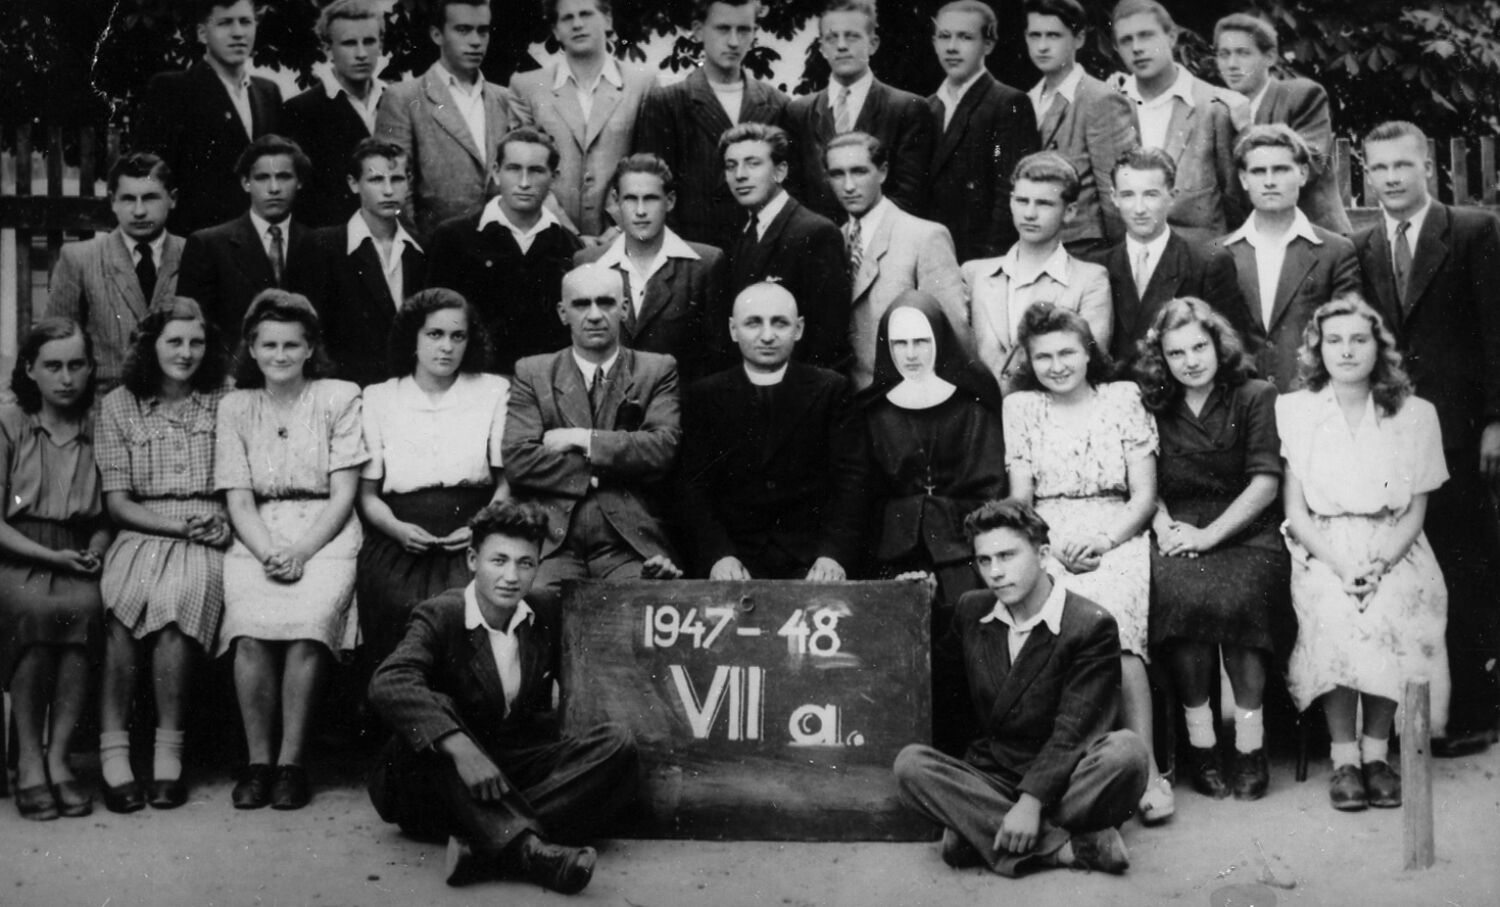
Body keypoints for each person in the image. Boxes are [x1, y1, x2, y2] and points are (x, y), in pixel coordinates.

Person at [368, 500, 638, 893]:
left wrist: (650, 577)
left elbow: (606, 616)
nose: (511, 576)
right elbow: (389, 682)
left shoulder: (544, 608)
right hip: (430, 782)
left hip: (503, 767)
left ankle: (485, 846)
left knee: (617, 746)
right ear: (473, 559)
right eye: (499, 561)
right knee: (438, 704)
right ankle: (530, 850)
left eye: (525, 563)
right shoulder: (441, 614)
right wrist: (461, 749)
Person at [892, 499, 1149, 877]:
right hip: (993, 775)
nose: (995, 572)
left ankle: (983, 832)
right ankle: (1066, 849)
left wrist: (1030, 804)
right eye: (984, 561)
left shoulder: (1090, 624)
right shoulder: (971, 609)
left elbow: (1074, 732)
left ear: (1044, 555)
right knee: (910, 765)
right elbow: (939, 685)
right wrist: (917, 609)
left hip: (1067, 776)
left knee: (1127, 753)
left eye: (1008, 556)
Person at [1353, 120, 1500, 758]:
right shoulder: (1363, 246)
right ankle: (1399, 716)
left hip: (1464, 430)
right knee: (1405, 563)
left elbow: (1497, 330)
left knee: (1466, 564)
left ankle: (1473, 709)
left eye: (1402, 167)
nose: (1390, 179)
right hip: (1395, 430)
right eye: (1378, 168)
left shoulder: (1471, 231)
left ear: (1427, 169)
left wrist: (1497, 420)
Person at [1277, 294, 1450, 811]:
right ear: (1318, 349)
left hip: (1395, 544)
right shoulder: (1298, 410)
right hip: (1323, 545)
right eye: (1334, 341)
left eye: (1359, 340)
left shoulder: (1416, 414)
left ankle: (1378, 755)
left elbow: (1416, 511)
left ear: (1379, 347)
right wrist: (1339, 563)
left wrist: (1378, 565)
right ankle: (1345, 757)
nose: (1347, 351)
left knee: (1391, 606)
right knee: (1334, 610)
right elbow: (1297, 511)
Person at [1003, 302, 1171, 821]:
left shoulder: (1122, 399)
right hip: (1048, 535)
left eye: (1067, 352)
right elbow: (1021, 501)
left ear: (1087, 352)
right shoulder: (1022, 408)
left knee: (1114, 624)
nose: (1057, 365)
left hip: (1116, 529)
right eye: (1043, 356)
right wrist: (1047, 548)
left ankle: (1148, 770)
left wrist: (1101, 541)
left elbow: (1144, 497)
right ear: (1029, 361)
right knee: (1046, 621)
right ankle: (1054, 772)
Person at [214, 290, 366, 810]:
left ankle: (291, 764)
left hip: (324, 531)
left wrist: (301, 551)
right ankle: (258, 763)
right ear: (251, 350)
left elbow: (345, 493)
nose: (280, 355)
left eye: (291, 345)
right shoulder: (235, 405)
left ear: (309, 349)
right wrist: (267, 551)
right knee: (250, 633)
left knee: (307, 628)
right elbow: (237, 496)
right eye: (269, 345)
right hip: (257, 531)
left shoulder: (339, 397)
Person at [1132, 297, 1288, 802]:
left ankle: (1249, 743)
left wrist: (1209, 535)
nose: (1190, 361)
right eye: (1176, 353)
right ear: (1163, 359)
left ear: (1219, 345)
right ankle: (1201, 744)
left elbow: (1266, 482)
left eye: (1199, 346)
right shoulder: (1151, 401)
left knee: (1240, 601)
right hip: (1178, 528)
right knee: (1182, 599)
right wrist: (1163, 525)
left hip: (1247, 531)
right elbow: (1142, 480)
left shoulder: (1255, 395)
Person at [94, 300, 230, 813]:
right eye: (174, 341)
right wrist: (174, 527)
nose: (186, 352)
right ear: (151, 345)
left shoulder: (225, 399)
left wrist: (218, 524)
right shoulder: (119, 405)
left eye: (195, 342)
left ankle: (168, 752)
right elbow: (118, 502)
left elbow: (242, 480)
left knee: (178, 602)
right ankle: (114, 753)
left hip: (211, 526)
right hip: (144, 525)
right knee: (121, 604)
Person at [857, 290, 1005, 755]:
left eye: (921, 341)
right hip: (890, 548)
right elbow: (866, 494)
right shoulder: (872, 410)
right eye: (899, 344)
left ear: (940, 341)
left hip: (964, 544)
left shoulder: (972, 403)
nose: (911, 354)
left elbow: (988, 488)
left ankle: (971, 746)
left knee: (968, 611)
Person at [501, 264, 683, 594]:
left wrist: (581, 439)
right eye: (582, 304)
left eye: (606, 303)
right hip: (553, 541)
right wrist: (606, 466)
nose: (595, 315)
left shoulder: (656, 370)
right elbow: (518, 459)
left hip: (628, 543)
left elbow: (661, 448)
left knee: (643, 603)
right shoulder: (534, 372)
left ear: (625, 308)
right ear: (563, 312)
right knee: (536, 600)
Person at [357, 287, 509, 666]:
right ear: (413, 338)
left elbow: (507, 483)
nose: (447, 347)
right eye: (434, 335)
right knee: (397, 604)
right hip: (400, 535)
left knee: (467, 607)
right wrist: (396, 530)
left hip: (472, 530)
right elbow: (367, 495)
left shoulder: (492, 390)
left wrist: (480, 527)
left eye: (458, 336)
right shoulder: (379, 397)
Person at [677, 282, 868, 580]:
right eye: (753, 323)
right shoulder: (705, 395)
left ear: (799, 328)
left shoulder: (831, 389)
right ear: (732, 329)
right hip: (735, 563)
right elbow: (692, 486)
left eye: (780, 323)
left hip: (812, 562)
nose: (767, 336)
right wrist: (717, 556)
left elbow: (852, 480)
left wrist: (834, 555)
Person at [0, 319, 110, 821]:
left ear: (90, 369)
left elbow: (111, 510)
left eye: (76, 365)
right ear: (30, 369)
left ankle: (59, 757)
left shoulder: (101, 424)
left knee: (83, 608)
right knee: (36, 610)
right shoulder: (10, 422)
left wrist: (97, 548)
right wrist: (49, 558)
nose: (66, 378)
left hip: (78, 549)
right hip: (18, 553)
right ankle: (27, 758)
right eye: (53, 366)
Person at [630, 0, 790, 251]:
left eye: (744, 30)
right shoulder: (668, 102)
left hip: (762, 250)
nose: (734, 41)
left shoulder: (776, 104)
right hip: (694, 251)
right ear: (697, 30)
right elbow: (654, 188)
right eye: (723, 29)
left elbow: (789, 187)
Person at [427, 127, 584, 376]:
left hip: (545, 388)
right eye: (513, 169)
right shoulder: (453, 238)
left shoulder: (570, 247)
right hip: (472, 383)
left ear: (554, 178)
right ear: (497, 173)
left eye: (536, 171)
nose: (524, 182)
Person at [1216, 124, 1359, 390]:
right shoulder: (1219, 253)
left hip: (1312, 400)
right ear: (1244, 179)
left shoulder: (1336, 251)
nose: (1269, 181)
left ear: (1303, 174)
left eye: (1281, 169)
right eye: (1258, 171)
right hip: (1239, 403)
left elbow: (1346, 333)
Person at [825, 132, 966, 391]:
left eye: (859, 172)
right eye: (837, 174)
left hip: (906, 397)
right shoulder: (832, 240)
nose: (848, 186)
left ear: (882, 172)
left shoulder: (923, 236)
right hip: (850, 402)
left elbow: (954, 332)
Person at [509, 0, 657, 243]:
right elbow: (523, 168)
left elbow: (648, 165)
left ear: (607, 20)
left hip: (621, 236)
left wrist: (620, 226)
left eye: (586, 14)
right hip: (547, 235)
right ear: (556, 30)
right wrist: (567, 233)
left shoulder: (641, 84)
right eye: (567, 18)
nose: (577, 24)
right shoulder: (526, 87)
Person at [962, 152, 1111, 392]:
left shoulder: (1090, 280)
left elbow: (1091, 362)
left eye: (1044, 203)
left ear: (1070, 211)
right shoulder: (975, 273)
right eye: (1022, 201)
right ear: (1010, 201)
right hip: (983, 419)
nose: (1030, 213)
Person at [134, 0, 282, 234]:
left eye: (245, 22)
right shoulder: (173, 89)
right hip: (195, 242)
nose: (237, 33)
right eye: (225, 23)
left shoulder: (268, 93)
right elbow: (152, 176)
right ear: (203, 33)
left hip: (255, 243)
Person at [573, 154, 723, 382]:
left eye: (651, 199)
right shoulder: (588, 262)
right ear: (616, 200)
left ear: (670, 201)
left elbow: (715, 358)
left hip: (678, 406)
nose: (640, 210)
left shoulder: (704, 264)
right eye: (631, 199)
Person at [374, 0, 518, 239]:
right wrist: (422, 257)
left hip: (504, 254)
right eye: (463, 30)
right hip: (436, 257)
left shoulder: (505, 99)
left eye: (483, 30)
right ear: (437, 34)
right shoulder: (404, 98)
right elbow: (395, 190)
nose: (475, 41)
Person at [1110, 0, 1247, 248]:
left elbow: (1236, 200)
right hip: (1131, 265)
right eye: (1126, 40)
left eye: (1146, 36)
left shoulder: (1212, 107)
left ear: (1171, 37)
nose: (1137, 48)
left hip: (1202, 261)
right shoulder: (1111, 104)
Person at [47, 153, 185, 395]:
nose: (139, 211)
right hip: (104, 405)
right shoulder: (80, 258)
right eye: (129, 199)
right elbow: (55, 344)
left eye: (150, 198)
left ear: (172, 199)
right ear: (112, 202)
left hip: (178, 405)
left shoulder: (194, 254)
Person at [784, 0, 934, 223]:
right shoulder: (799, 112)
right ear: (822, 48)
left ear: (873, 44)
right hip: (817, 247)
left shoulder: (907, 108)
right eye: (832, 38)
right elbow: (794, 192)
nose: (842, 46)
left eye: (852, 36)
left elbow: (909, 195)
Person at [717, 123, 851, 372]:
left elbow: (828, 340)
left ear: (780, 172)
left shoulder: (815, 233)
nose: (740, 175)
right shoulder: (746, 232)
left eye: (753, 163)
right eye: (731, 166)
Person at [1103, 147, 1247, 365]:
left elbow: (1234, 347)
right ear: (1114, 198)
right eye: (1128, 195)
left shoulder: (1206, 263)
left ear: (1172, 197)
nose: (1139, 208)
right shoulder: (1099, 266)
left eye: (1151, 194)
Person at [176, 134, 320, 352]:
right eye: (262, 178)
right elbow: (193, 325)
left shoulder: (318, 243)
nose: (274, 188)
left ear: (299, 181)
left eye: (284, 177)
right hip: (232, 377)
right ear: (246, 182)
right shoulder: (209, 245)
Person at [1213, 13, 1352, 235]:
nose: (1231, 64)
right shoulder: (1219, 109)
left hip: (1317, 239)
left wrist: (1246, 128)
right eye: (1223, 54)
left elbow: (1311, 164)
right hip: (1255, 241)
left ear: (1269, 57)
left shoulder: (1302, 95)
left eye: (1243, 53)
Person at [926, 0, 1040, 263]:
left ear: (988, 44)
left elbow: (1009, 193)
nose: (952, 47)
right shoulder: (927, 107)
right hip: (935, 254)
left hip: (981, 257)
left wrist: (990, 263)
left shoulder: (1007, 102)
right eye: (944, 37)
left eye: (965, 37)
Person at [1022, 0, 1137, 257]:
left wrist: (1118, 259)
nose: (1042, 46)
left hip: (1085, 247)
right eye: (1035, 35)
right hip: (1036, 245)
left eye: (1053, 35)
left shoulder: (1099, 98)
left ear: (1079, 38)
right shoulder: (1027, 99)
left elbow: (1115, 191)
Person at [308, 139, 427, 386]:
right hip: (348, 386)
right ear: (354, 184)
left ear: (409, 183)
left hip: (411, 386)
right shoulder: (325, 246)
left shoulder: (421, 248)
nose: (388, 190)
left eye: (396, 179)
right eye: (375, 180)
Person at [281, 0, 389, 229]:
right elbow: (299, 199)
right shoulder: (301, 111)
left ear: (380, 44)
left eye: (369, 41)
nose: (361, 53)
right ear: (327, 49)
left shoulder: (397, 101)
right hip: (333, 248)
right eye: (349, 43)